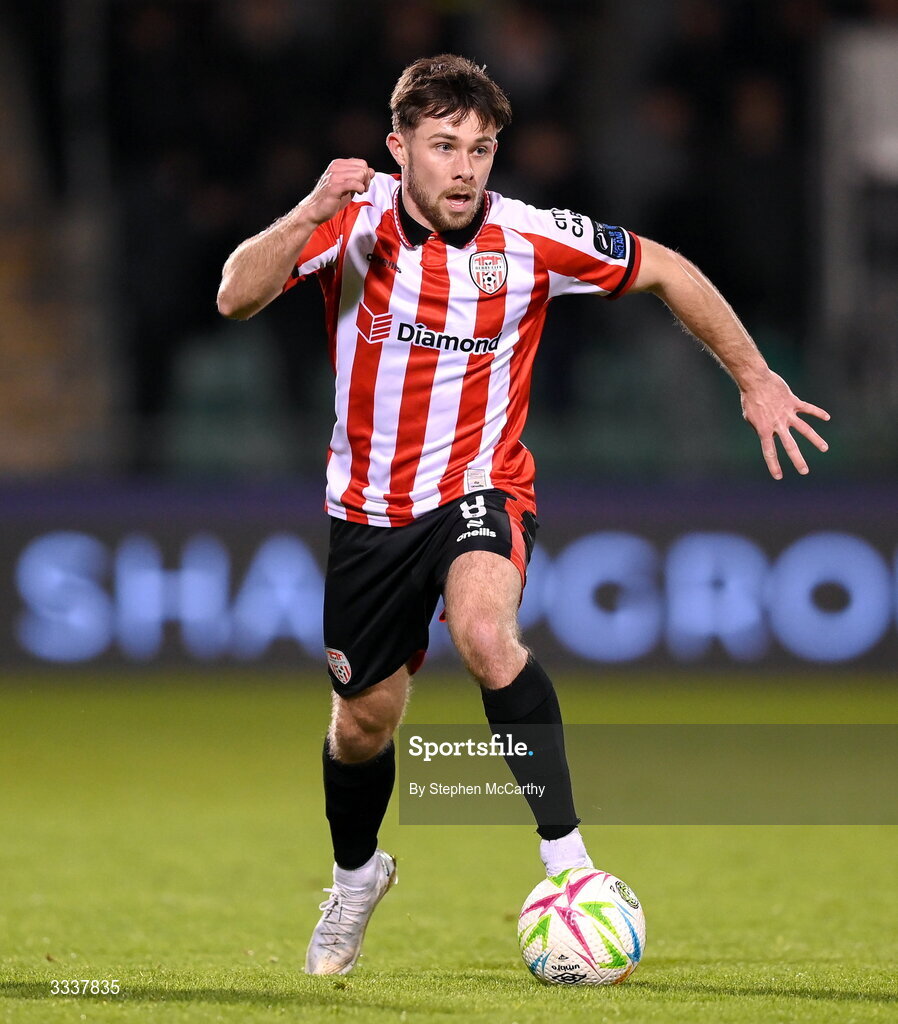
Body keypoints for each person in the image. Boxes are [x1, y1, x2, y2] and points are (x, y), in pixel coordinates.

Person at [216, 54, 829, 975]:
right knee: (362, 726)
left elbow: (666, 269)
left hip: (480, 486)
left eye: (482, 148)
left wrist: (754, 376)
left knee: (486, 633)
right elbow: (234, 294)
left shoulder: (533, 236)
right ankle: (355, 879)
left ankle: (569, 865)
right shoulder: (351, 220)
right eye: (444, 147)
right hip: (367, 512)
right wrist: (308, 210)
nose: (465, 168)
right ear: (399, 149)